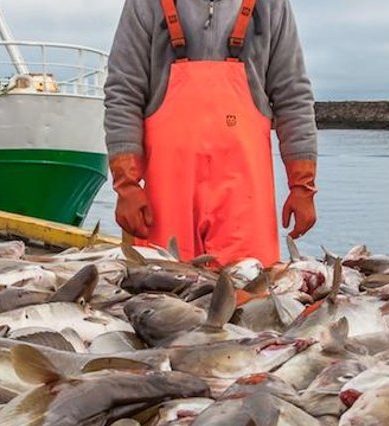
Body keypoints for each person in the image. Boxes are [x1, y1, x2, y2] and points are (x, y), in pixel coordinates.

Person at [104, 0, 318, 266]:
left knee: (247, 295)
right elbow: (123, 94)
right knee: (164, 297)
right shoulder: (145, 4)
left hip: (244, 203)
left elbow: (293, 95)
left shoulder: (272, 5)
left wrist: (302, 186)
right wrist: (127, 186)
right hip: (166, 203)